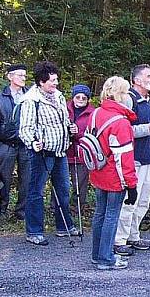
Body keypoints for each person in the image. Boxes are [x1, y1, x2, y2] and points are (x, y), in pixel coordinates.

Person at [18, 60, 79, 245]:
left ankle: (64, 226)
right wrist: (33, 142)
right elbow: (25, 129)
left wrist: (71, 128)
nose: (55, 83)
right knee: (36, 192)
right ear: (41, 82)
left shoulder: (59, 96)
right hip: (41, 154)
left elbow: (63, 120)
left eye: (56, 79)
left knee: (63, 190)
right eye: (52, 80)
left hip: (60, 151)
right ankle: (34, 231)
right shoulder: (31, 100)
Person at [88, 76, 139, 270]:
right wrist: (131, 185)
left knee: (100, 213)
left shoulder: (96, 112)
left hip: (97, 171)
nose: (129, 96)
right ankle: (106, 258)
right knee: (111, 215)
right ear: (119, 95)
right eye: (126, 92)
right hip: (114, 176)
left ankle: (97, 254)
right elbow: (124, 159)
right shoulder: (121, 122)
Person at [114, 64, 150, 256]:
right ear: (137, 80)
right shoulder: (128, 100)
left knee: (143, 201)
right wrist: (147, 129)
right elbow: (121, 130)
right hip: (133, 160)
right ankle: (118, 240)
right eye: (148, 76)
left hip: (149, 158)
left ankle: (133, 236)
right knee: (129, 202)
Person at [0, 64, 30, 220]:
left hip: (26, 144)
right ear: (10, 76)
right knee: (3, 178)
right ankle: (0, 212)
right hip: (5, 144)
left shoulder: (30, 96)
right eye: (20, 75)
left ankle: (22, 212)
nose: (23, 78)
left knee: (26, 179)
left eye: (25, 76)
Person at [67, 84, 95, 214]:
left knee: (80, 184)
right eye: (77, 97)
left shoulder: (92, 113)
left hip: (81, 153)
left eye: (84, 98)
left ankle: (76, 208)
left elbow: (93, 135)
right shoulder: (64, 108)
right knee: (61, 182)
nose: (80, 100)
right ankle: (56, 208)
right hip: (64, 151)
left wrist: (78, 133)